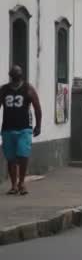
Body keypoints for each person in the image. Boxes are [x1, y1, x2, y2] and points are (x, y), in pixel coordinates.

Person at [0, 66, 42, 195]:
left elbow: (37, 107)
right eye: (13, 73)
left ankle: (22, 183)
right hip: (7, 128)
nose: (15, 75)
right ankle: (13, 185)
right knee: (11, 158)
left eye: (17, 73)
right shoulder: (4, 89)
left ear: (21, 75)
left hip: (24, 128)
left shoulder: (28, 88)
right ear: (10, 75)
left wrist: (38, 125)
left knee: (23, 155)